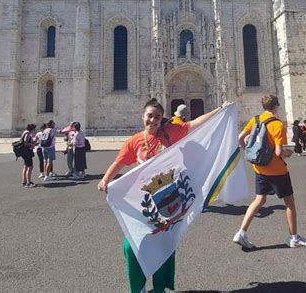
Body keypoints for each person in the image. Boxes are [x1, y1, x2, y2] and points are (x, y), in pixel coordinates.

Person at [97, 98, 231, 293]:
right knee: (131, 246)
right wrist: (105, 179)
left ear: (162, 119)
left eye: (157, 117)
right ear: (143, 116)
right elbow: (119, 163)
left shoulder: (171, 133)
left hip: (168, 198)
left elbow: (194, 124)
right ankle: (138, 288)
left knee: (163, 245)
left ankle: (160, 288)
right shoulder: (134, 141)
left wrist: (220, 109)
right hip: (141, 201)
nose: (153, 120)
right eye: (149, 116)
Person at [233, 94, 306, 249]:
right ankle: (294, 237)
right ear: (276, 106)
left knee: (259, 200)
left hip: (259, 167)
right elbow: (278, 152)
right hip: (277, 171)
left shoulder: (255, 119)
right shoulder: (277, 124)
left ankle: (241, 232)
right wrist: (288, 153)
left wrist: (248, 151)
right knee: (289, 203)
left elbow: (240, 138)